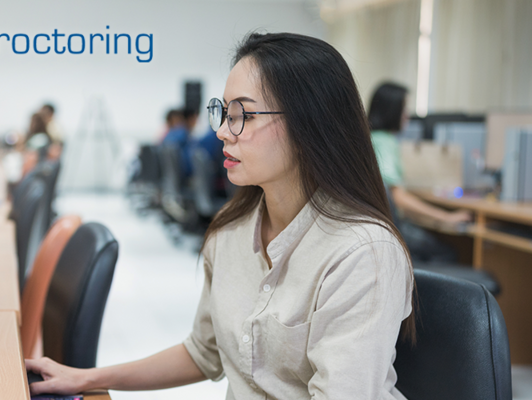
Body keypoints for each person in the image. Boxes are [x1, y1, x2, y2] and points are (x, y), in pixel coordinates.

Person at [27, 32, 415, 399]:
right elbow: (202, 352)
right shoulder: (231, 230)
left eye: (242, 115)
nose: (223, 133)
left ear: (309, 124)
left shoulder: (363, 255)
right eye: (224, 112)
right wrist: (87, 378)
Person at [367, 82, 472, 262]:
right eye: (404, 109)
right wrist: (446, 217)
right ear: (392, 110)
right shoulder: (385, 143)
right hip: (392, 231)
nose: (407, 116)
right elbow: (397, 197)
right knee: (448, 253)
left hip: (377, 229)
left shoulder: (370, 138)